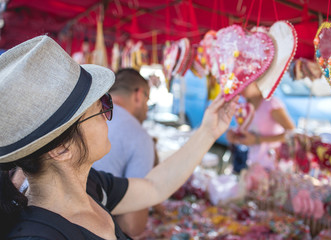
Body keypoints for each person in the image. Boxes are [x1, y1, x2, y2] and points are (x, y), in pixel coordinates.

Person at [0, 35, 238, 240]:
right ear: (61, 149)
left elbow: (154, 187)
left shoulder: (89, 186)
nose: (108, 116)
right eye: (100, 108)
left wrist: (208, 130)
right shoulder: (39, 235)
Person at [92, 68, 155, 237]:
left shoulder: (87, 115)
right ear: (138, 95)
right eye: (147, 100)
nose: (147, 108)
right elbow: (132, 225)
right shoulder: (138, 135)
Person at [227, 82, 295, 171]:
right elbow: (249, 133)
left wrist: (257, 139)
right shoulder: (245, 107)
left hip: (273, 165)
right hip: (254, 163)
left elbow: (292, 134)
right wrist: (235, 136)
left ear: (257, 83)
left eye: (246, 83)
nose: (242, 87)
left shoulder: (270, 104)